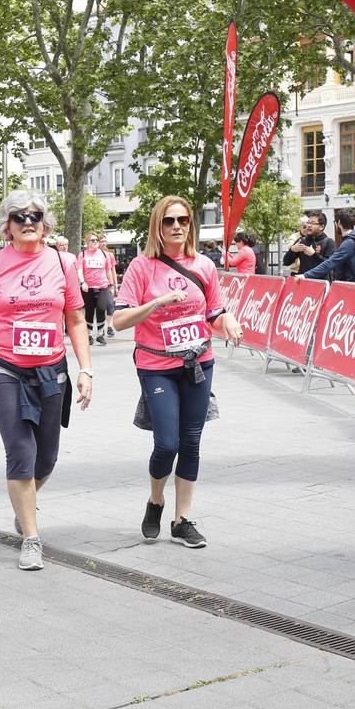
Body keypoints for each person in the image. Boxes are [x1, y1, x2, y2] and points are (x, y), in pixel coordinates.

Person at [0, 191, 92, 571]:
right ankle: (31, 538)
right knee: (21, 451)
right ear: (7, 226)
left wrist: (86, 369)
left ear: (45, 223)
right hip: (1, 366)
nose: (28, 222)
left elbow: (76, 320)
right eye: (19, 217)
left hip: (50, 368)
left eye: (35, 216)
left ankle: (23, 503)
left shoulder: (64, 263)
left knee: (47, 456)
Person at [113, 196, 243, 549]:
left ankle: (182, 519)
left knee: (191, 441)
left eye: (183, 220)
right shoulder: (142, 267)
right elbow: (118, 321)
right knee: (166, 443)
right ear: (158, 225)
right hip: (156, 365)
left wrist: (226, 319)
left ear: (190, 224)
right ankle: (156, 501)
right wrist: (156, 303)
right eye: (169, 220)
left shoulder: (204, 266)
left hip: (198, 363)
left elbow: (214, 312)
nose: (176, 226)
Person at [302, 208, 355, 282]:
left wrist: (305, 275)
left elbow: (330, 263)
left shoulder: (349, 243)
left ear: (339, 223)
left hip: (350, 287)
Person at [80, 231, 117, 346]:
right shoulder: (83, 255)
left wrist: (111, 285)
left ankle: (100, 334)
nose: (95, 242)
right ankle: (90, 335)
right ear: (87, 242)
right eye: (93, 240)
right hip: (88, 287)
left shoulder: (104, 254)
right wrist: (82, 282)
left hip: (102, 286)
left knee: (101, 308)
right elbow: (79, 270)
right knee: (89, 312)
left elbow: (108, 270)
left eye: (96, 240)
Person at [283, 210, 333, 276]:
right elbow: (286, 262)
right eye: (308, 223)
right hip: (304, 283)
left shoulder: (329, 242)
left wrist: (314, 255)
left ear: (321, 227)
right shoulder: (302, 241)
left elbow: (330, 265)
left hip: (321, 283)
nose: (309, 225)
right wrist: (292, 250)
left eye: (312, 223)